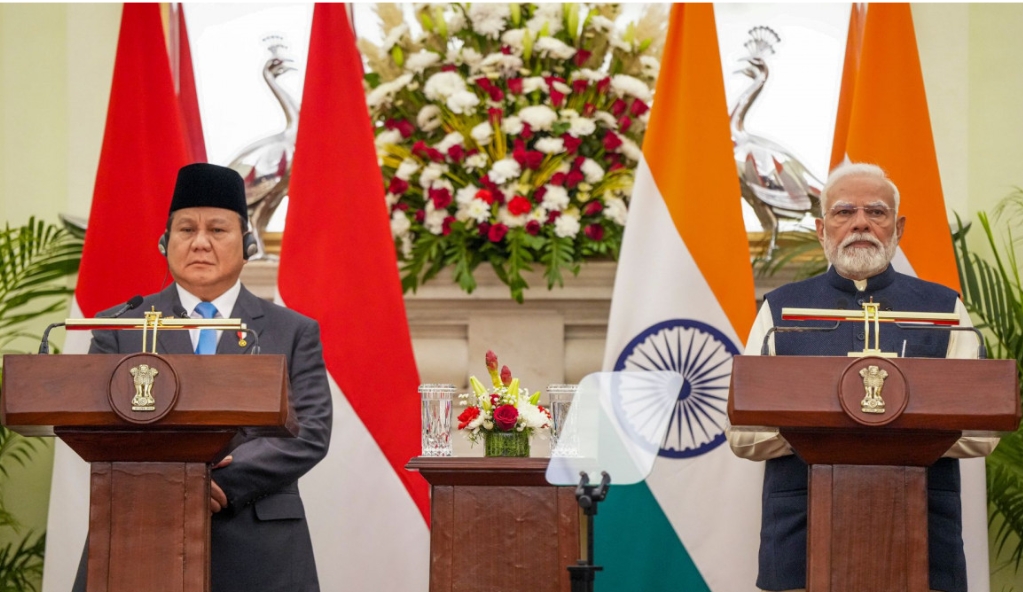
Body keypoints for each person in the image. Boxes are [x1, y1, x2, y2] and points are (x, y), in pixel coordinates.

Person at [727, 162, 996, 592]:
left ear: (898, 228)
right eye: (843, 212)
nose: (860, 224)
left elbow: (983, 431)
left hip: (922, 535)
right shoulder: (780, 310)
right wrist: (834, 430)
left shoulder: (943, 309)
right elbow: (743, 433)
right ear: (821, 229)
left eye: (876, 212)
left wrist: (873, 429)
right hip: (802, 533)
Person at [72, 163, 332, 592]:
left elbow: (309, 431)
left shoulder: (291, 330)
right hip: (140, 534)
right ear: (165, 243)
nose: (200, 243)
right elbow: (95, 426)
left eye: (217, 230)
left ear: (248, 245)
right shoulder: (120, 325)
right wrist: (174, 481)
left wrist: (217, 482)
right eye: (186, 229)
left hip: (258, 544)